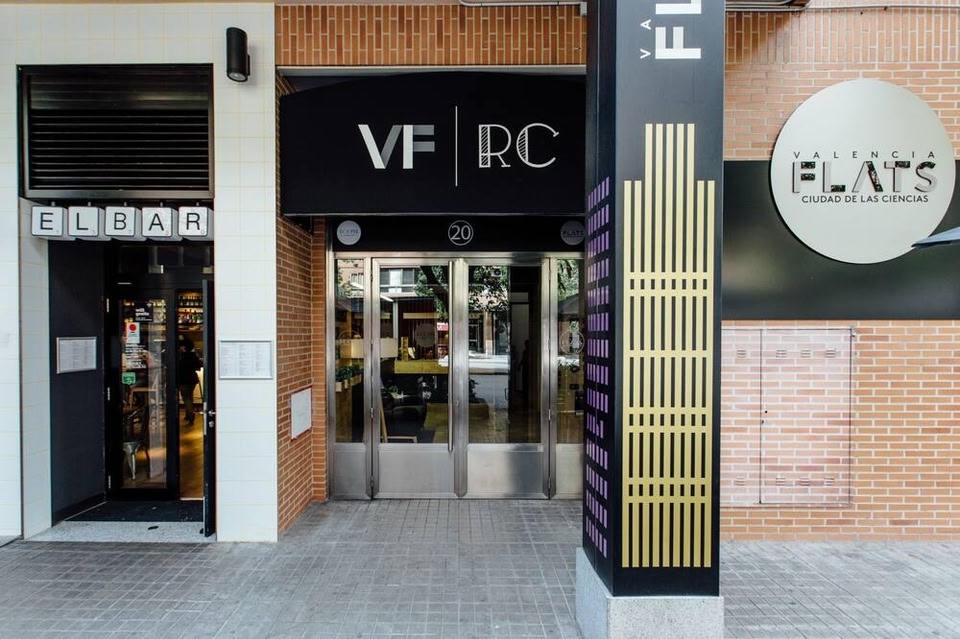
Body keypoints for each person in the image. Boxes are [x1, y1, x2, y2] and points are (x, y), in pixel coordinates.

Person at [177, 338, 202, 425]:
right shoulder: (193, 355)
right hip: (192, 379)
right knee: (189, 397)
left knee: (186, 398)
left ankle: (191, 414)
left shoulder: (180, 356)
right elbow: (198, 367)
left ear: (183, 347)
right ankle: (188, 414)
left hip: (183, 379)